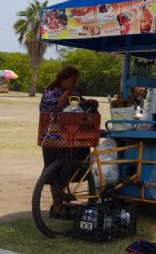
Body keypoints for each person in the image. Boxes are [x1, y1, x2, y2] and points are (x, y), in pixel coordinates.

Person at [39, 65, 98, 218]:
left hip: (72, 139)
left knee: (68, 172)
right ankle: (57, 204)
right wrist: (63, 98)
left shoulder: (74, 93)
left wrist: (90, 102)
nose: (74, 83)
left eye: (75, 81)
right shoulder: (50, 92)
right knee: (55, 174)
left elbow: (82, 107)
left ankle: (60, 205)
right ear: (63, 79)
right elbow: (47, 110)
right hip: (54, 138)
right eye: (72, 80)